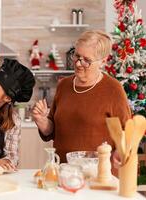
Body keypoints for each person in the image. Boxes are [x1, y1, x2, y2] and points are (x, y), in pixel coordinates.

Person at [32, 30, 131, 163]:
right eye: (77, 56)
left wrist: (120, 153)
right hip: (64, 172)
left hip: (97, 175)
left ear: (103, 61)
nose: (78, 64)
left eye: (86, 60)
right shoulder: (64, 85)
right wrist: (42, 121)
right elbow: (52, 131)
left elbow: (126, 131)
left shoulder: (113, 89)